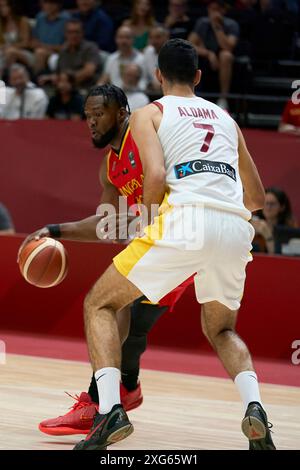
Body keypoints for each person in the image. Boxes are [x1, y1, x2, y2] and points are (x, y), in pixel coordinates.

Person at [69, 38, 275, 451]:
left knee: (100, 303)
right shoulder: (227, 119)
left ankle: (110, 411)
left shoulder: (151, 113)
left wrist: (147, 222)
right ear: (199, 76)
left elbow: (157, 174)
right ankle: (256, 410)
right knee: (222, 329)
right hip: (236, 229)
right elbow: (256, 199)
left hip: (184, 222)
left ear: (158, 75)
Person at [20, 84, 193, 436]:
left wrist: (143, 220)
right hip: (165, 247)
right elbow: (107, 223)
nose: (92, 122)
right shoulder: (111, 167)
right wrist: (56, 229)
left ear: (123, 111)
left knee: (111, 308)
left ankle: (101, 404)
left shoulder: (145, 139)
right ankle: (126, 388)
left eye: (100, 113)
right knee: (135, 321)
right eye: (88, 115)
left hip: (181, 236)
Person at [189, 0, 240, 110]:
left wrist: (217, 27)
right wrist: (209, 53)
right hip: (206, 58)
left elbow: (228, 47)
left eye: (217, 9)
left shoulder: (231, 24)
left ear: (223, 10)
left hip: (225, 62)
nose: (214, 13)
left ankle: (223, 98)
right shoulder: (202, 23)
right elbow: (190, 44)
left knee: (225, 55)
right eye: (212, 9)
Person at [39, 19, 102, 88]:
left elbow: (88, 72)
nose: (73, 35)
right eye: (70, 32)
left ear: (82, 33)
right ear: (65, 34)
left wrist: (65, 80)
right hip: (66, 89)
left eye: (77, 32)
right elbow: (58, 72)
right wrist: (50, 77)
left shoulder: (90, 48)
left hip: (86, 89)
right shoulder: (63, 49)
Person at [99, 26, 147, 90]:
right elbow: (104, 79)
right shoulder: (111, 58)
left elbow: (144, 81)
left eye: (127, 37)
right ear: (116, 39)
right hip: (115, 96)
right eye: (121, 37)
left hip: (136, 94)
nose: (124, 41)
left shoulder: (141, 59)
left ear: (133, 39)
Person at [252, 187, 297, 254]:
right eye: (265, 203)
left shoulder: (289, 230)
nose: (268, 207)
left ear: (282, 207)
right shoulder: (254, 223)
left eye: (272, 204)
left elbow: (275, 258)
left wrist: (268, 235)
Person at [32, 0, 70, 75]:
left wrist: (47, 47)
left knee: (40, 53)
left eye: (51, 3)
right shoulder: (40, 17)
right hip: (38, 50)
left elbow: (68, 45)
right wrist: (35, 44)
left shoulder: (66, 19)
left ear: (58, 4)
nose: (48, 6)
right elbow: (34, 38)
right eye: (46, 3)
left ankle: (36, 81)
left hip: (58, 53)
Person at [0, 0, 32, 75]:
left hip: (25, 53)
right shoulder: (1, 24)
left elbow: (25, 43)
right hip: (5, 52)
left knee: (10, 52)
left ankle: (5, 78)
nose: (1, 9)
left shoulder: (23, 21)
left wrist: (8, 47)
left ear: (11, 6)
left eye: (3, 6)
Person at [144, 25, 169, 92]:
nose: (154, 41)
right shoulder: (147, 51)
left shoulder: (174, 54)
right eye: (151, 38)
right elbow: (144, 75)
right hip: (150, 91)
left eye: (158, 37)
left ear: (166, 37)